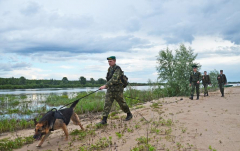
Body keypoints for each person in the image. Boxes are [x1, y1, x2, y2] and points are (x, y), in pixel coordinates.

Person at [98, 56, 132, 125]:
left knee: (122, 104)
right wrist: (107, 87)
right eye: (108, 61)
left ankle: (129, 114)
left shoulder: (117, 69)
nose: (109, 63)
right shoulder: (109, 69)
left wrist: (105, 86)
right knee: (107, 104)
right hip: (110, 90)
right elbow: (109, 79)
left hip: (118, 90)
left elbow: (114, 79)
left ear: (114, 61)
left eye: (110, 61)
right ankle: (104, 120)